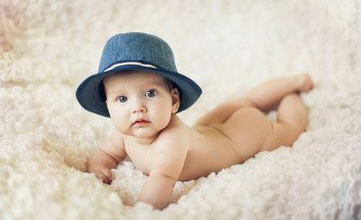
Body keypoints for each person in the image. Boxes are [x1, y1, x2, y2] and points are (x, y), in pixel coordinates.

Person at [76, 32, 314, 210]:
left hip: (238, 139)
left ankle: (292, 92)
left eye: (150, 93)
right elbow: (105, 153)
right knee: (245, 101)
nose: (137, 107)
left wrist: (142, 211)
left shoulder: (172, 138)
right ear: (108, 106)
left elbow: (162, 179)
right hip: (209, 127)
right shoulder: (124, 134)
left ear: (173, 101)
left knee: (288, 131)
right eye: (122, 98)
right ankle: (290, 84)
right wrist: (98, 168)